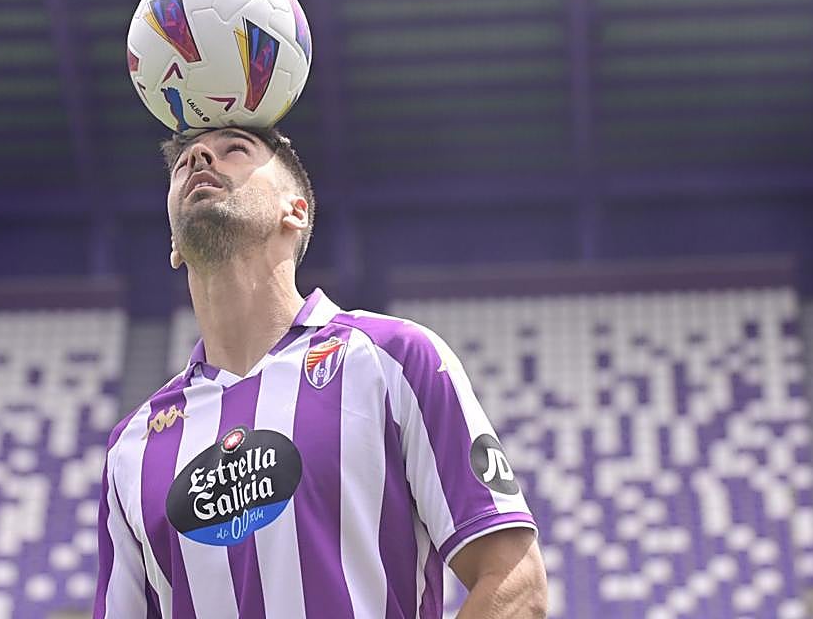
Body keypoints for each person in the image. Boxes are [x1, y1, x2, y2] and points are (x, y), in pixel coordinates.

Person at [93, 125, 548, 618]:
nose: (200, 156)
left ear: (297, 210)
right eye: (184, 163)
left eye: (234, 150)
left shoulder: (393, 359)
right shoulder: (133, 448)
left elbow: (516, 583)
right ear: (175, 244)